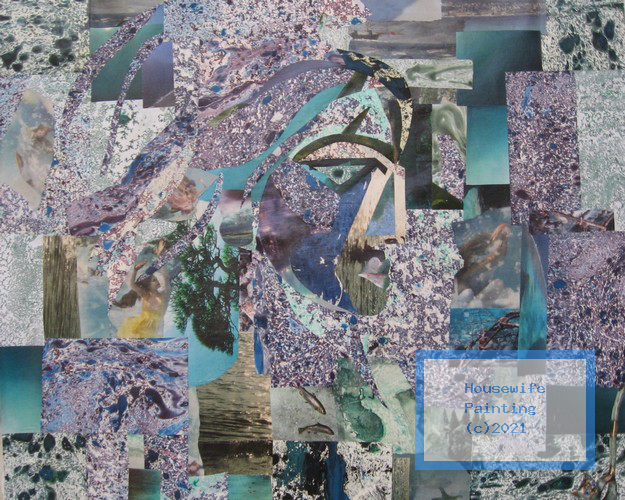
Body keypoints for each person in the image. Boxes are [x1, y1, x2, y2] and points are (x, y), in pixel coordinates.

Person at [116, 259, 169, 338]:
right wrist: (135, 270)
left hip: (153, 326)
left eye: (156, 279)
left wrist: (162, 262)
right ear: (149, 285)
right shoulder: (146, 295)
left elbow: (166, 279)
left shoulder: (162, 294)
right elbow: (132, 285)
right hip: (142, 324)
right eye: (154, 280)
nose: (157, 281)